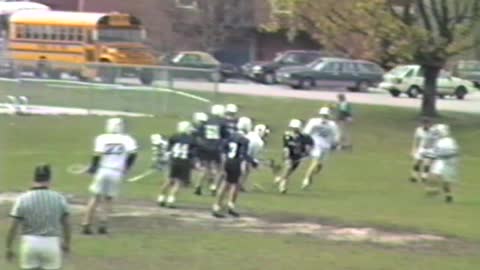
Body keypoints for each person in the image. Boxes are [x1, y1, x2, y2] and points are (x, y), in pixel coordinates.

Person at [6, 165, 71, 270]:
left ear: (34, 178)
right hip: (51, 244)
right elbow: (66, 224)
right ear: (49, 179)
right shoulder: (59, 198)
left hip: (29, 244)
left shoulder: (22, 199)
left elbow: (12, 226)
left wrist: (8, 247)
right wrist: (67, 243)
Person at [81, 117, 138, 235]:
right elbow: (133, 154)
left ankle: (86, 223)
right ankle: (103, 224)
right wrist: (126, 167)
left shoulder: (101, 138)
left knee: (95, 198)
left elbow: (96, 156)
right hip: (116, 172)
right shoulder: (127, 139)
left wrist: (92, 168)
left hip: (103, 170)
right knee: (108, 199)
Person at [212, 117, 252, 218]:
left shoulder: (231, 136)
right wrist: (253, 162)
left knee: (225, 183)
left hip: (228, 161)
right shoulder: (245, 140)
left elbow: (222, 148)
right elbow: (243, 154)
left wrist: (224, 160)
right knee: (234, 185)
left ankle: (217, 205)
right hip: (236, 162)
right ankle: (230, 206)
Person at [157, 121, 198, 208]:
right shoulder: (192, 139)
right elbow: (193, 153)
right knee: (178, 182)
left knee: (169, 180)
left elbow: (168, 148)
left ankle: (161, 197)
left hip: (174, 160)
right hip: (184, 162)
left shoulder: (174, 136)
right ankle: (171, 199)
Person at [194, 104, 229, 196]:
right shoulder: (222, 122)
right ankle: (213, 187)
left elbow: (199, 134)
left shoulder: (206, 121)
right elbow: (226, 136)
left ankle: (198, 186)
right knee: (219, 169)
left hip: (205, 147)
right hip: (216, 148)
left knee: (205, 168)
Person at [301, 107, 340, 189]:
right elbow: (306, 132)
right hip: (316, 143)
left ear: (328, 116)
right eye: (323, 115)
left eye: (326, 115)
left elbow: (336, 135)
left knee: (319, 166)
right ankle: (306, 178)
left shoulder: (332, 124)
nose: (324, 117)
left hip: (326, 146)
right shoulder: (314, 122)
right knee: (315, 161)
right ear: (320, 115)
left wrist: (335, 143)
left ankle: (310, 176)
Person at [275, 119, 314, 194]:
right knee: (288, 167)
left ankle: (281, 179)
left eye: (296, 128)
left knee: (289, 171)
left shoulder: (305, 137)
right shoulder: (287, 135)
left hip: (298, 156)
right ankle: (282, 186)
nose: (294, 129)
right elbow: (286, 146)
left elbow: (310, 145)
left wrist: (306, 153)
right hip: (289, 154)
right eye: (293, 128)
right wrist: (286, 154)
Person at [425, 124, 459, 203]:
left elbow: (454, 152)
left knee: (445, 181)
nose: (437, 134)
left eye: (439, 132)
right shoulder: (439, 141)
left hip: (449, 162)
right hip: (441, 161)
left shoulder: (450, 141)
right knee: (433, 175)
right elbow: (435, 152)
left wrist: (444, 155)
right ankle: (434, 190)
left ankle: (448, 195)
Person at [242, 123, 270, 190]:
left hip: (237, 154)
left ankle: (239, 185)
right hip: (245, 156)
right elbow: (253, 155)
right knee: (244, 170)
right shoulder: (259, 142)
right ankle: (238, 185)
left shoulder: (249, 134)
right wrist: (256, 163)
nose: (265, 135)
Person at [410, 117, 436, 183]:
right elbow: (415, 140)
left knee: (427, 163)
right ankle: (414, 177)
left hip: (430, 149)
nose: (426, 125)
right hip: (421, 148)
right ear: (422, 124)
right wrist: (413, 149)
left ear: (430, 124)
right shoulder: (418, 130)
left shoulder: (433, 131)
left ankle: (424, 177)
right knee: (417, 162)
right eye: (424, 124)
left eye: (427, 124)